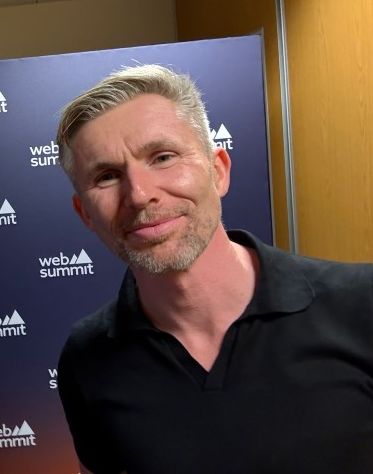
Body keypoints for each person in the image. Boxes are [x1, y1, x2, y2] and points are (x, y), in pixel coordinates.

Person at [55, 64, 373, 473]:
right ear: (85, 213)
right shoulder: (86, 357)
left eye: (163, 157)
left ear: (218, 170)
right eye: (107, 176)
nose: (139, 194)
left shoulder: (362, 303)